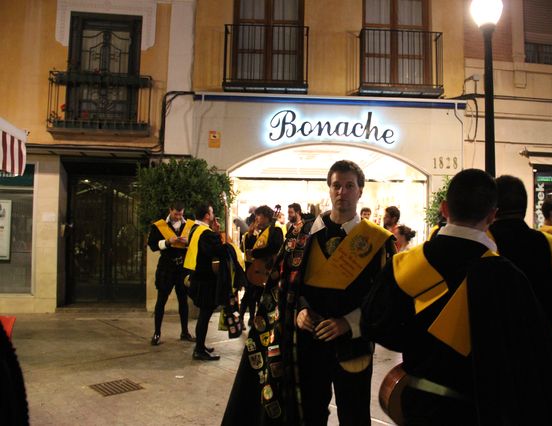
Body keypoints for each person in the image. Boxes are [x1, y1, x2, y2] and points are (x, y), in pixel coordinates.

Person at [362, 169, 552, 426]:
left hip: (423, 403)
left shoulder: (404, 265)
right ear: (492, 215)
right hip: (485, 408)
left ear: (444, 209)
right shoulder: (509, 278)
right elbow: (530, 358)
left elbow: (374, 326)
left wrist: (419, 343)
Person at [223, 160, 396, 425]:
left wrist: (348, 323)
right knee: (308, 414)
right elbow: (284, 286)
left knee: (355, 416)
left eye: (349, 186)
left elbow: (384, 299)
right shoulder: (301, 235)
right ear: (329, 189)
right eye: (336, 185)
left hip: (353, 345)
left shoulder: (379, 241)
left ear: (360, 190)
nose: (342, 192)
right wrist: (299, 310)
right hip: (305, 344)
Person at [489, 176, 552, 347]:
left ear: (493, 208)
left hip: (493, 348)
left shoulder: (482, 245)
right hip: (544, 346)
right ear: (525, 208)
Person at [147, 202, 196, 346]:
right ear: (170, 210)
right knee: (161, 300)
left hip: (182, 268)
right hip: (166, 268)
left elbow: (196, 244)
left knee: (183, 300)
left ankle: (185, 332)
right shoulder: (159, 226)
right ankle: (157, 333)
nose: (178, 217)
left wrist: (188, 242)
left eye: (181, 214)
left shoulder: (189, 225)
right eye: (176, 214)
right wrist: (168, 242)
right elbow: (152, 245)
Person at [184, 203, 226, 361]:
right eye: (212, 212)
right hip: (205, 280)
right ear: (207, 215)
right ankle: (199, 350)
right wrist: (217, 234)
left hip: (197, 276)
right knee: (205, 315)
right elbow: (218, 251)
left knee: (204, 314)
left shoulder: (194, 229)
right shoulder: (206, 233)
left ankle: (200, 345)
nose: (213, 214)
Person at [240, 205, 284, 329]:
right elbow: (251, 248)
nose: (257, 219)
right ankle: (244, 319)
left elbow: (274, 247)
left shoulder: (276, 230)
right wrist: (250, 236)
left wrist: (256, 253)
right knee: (249, 296)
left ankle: (262, 324)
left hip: (267, 272)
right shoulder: (261, 231)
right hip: (256, 270)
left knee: (262, 298)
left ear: (266, 217)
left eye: (259, 216)